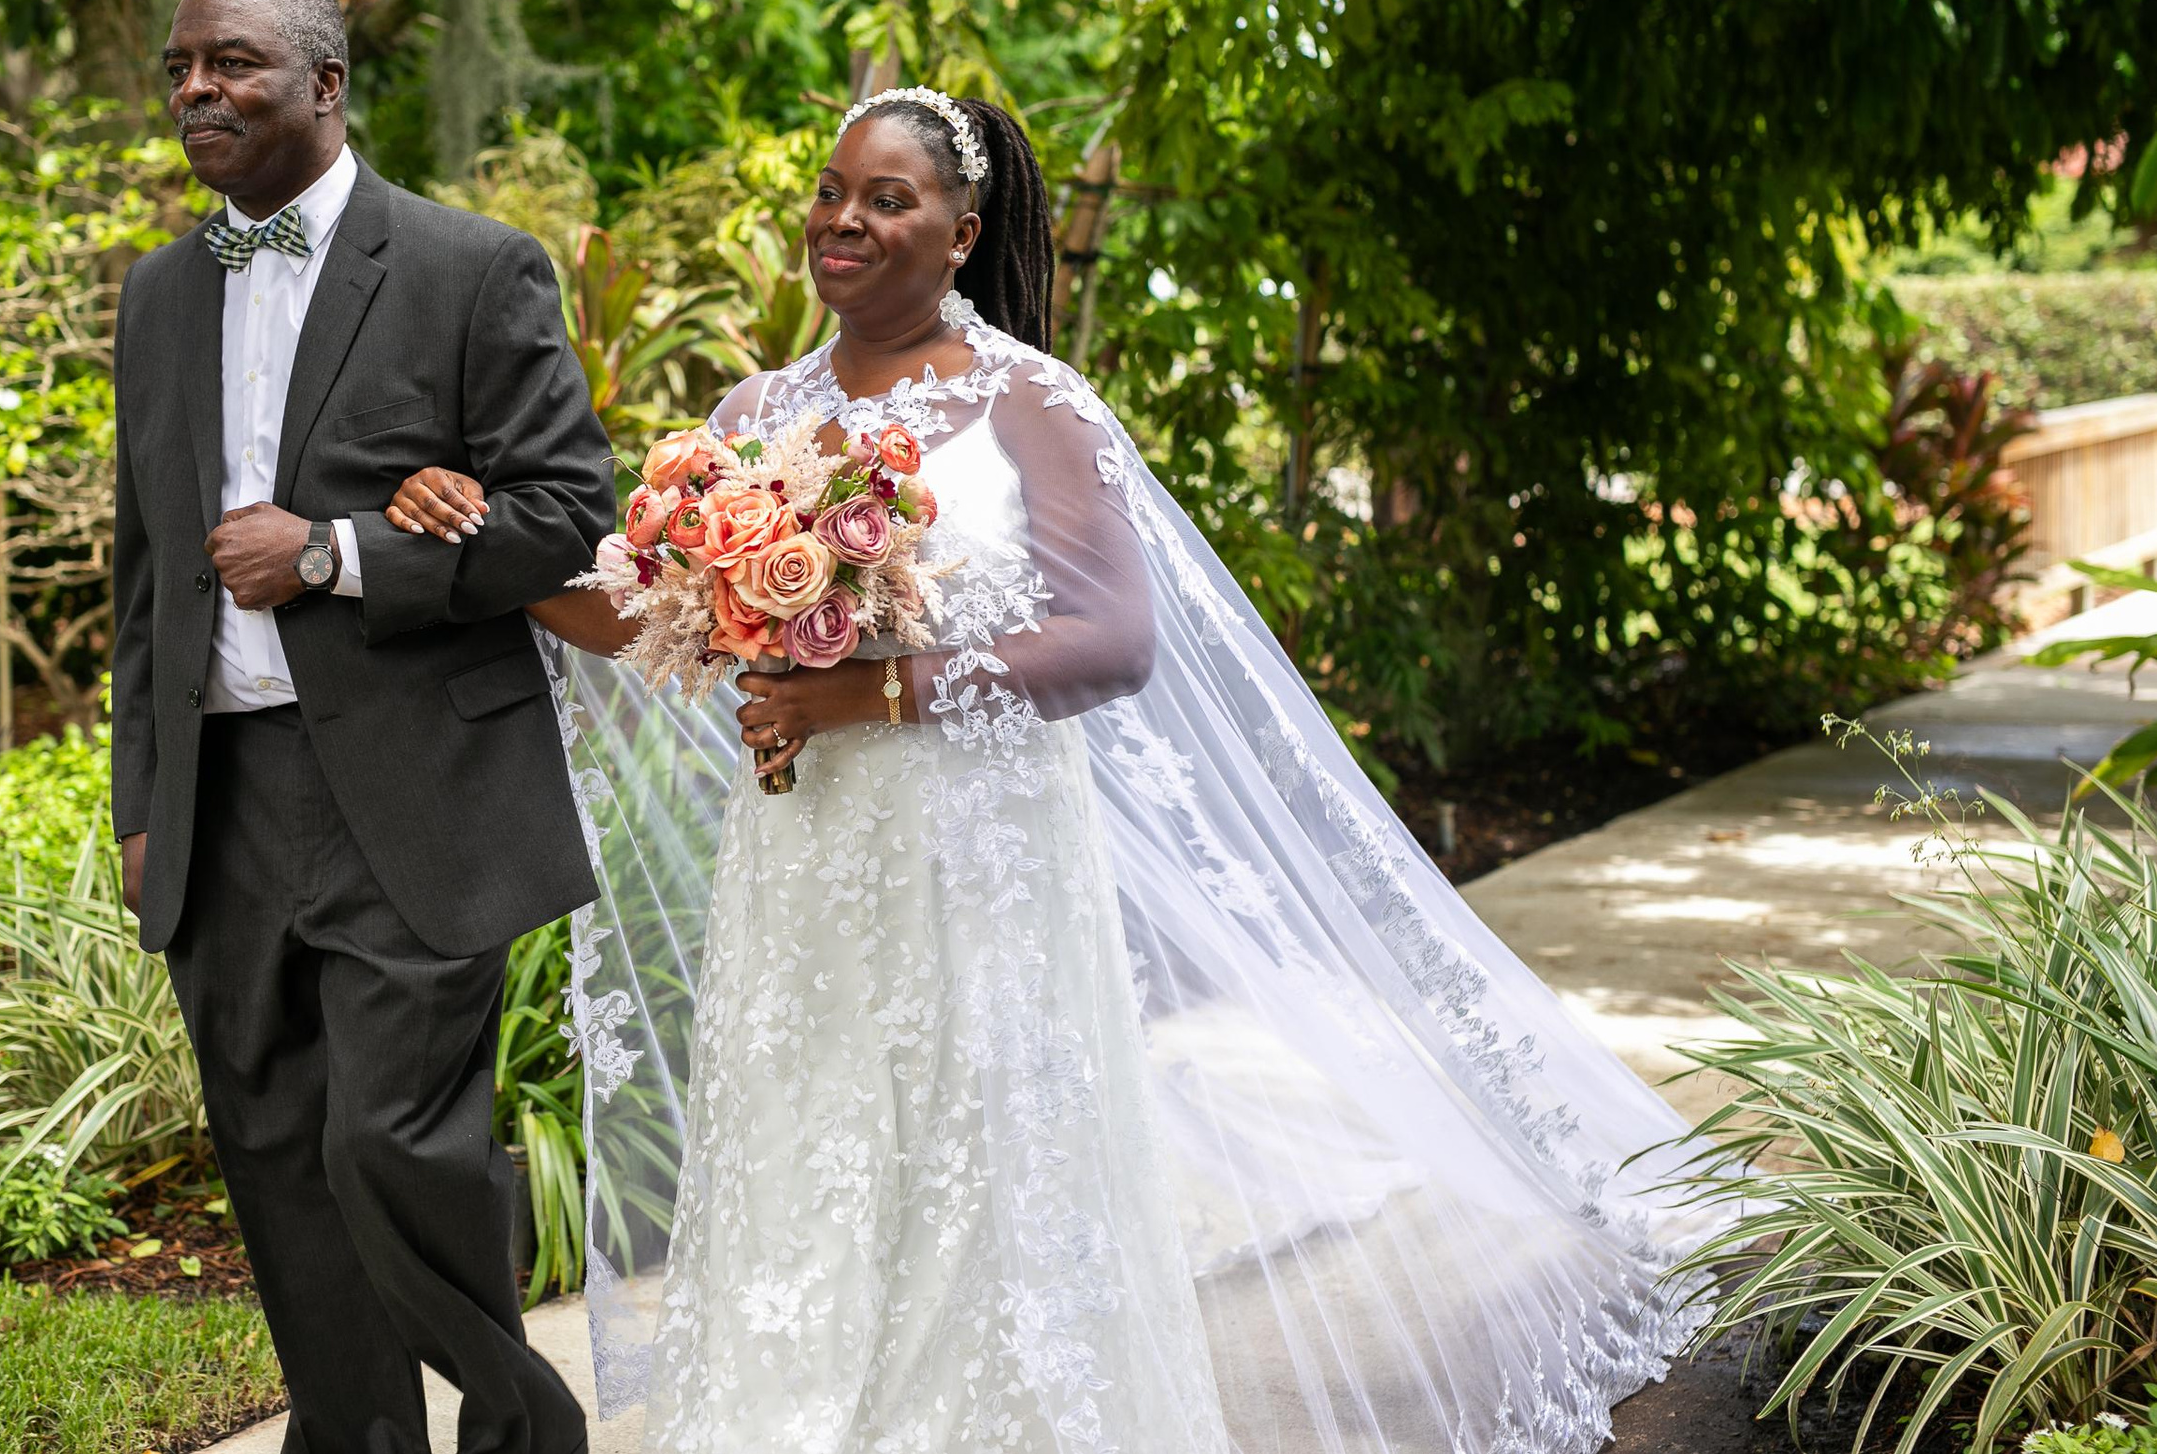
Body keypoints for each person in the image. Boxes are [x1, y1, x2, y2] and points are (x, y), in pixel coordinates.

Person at [388, 90, 1725, 1452]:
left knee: (986, 1176)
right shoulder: (753, 413)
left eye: (888, 198)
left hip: (983, 864)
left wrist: (877, 688)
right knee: (811, 1160)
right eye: (833, 191)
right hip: (802, 869)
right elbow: (645, 613)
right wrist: (479, 540)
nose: (845, 219)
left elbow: (1111, 638)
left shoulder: (1026, 400)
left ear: (963, 230)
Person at [110, 0, 609, 1454]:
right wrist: (143, 802)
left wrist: (334, 553)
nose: (199, 88)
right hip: (226, 795)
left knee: (388, 1137)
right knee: (271, 1149)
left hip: (414, 790)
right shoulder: (157, 290)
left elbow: (569, 510)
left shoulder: (469, 266)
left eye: (236, 64)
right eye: (183, 65)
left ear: (326, 86)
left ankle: (525, 1428)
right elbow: (143, 571)